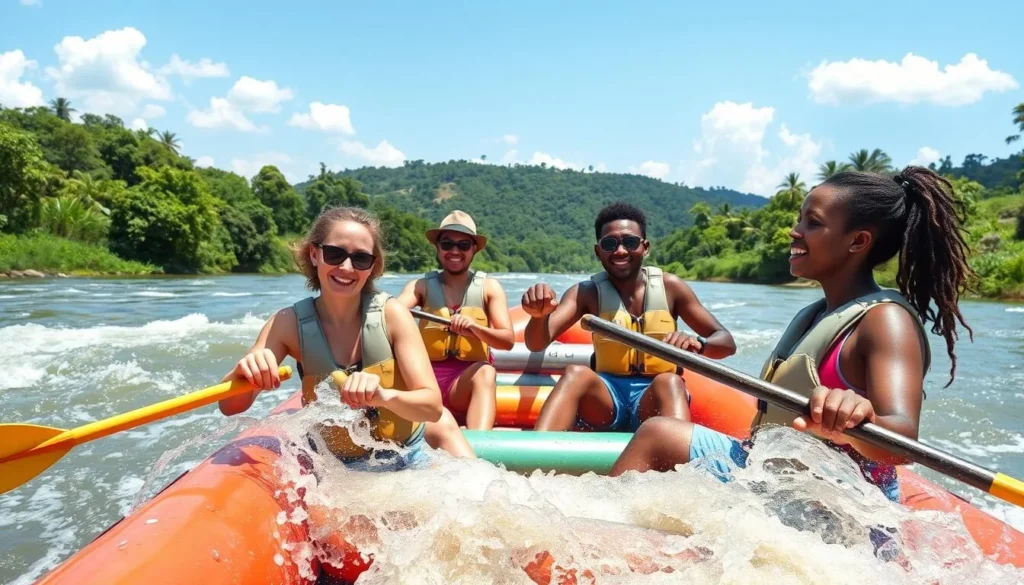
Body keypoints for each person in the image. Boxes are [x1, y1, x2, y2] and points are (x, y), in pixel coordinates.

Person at [609, 166, 976, 505]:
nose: (794, 231)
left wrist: (857, 419)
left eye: (812, 223)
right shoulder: (816, 314)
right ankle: (605, 529)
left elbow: (902, 442)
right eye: (800, 218)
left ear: (858, 241)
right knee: (657, 433)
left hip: (837, 498)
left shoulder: (886, 321)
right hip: (771, 471)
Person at [218, 206, 474, 469]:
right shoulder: (287, 324)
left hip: (406, 454)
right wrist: (242, 374)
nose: (347, 267)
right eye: (335, 254)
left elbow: (431, 407)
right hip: (335, 467)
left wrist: (382, 396)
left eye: (360, 259)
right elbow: (230, 406)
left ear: (372, 266)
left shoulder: (392, 315)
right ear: (315, 254)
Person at [520, 202, 737, 433]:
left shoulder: (671, 288)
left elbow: (726, 342)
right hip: (606, 400)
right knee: (576, 373)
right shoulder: (586, 293)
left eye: (630, 242)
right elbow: (536, 343)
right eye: (610, 244)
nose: (620, 251)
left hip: (654, 399)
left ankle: (679, 460)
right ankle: (533, 461)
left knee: (670, 382)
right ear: (598, 251)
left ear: (645, 247)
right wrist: (539, 317)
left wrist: (699, 344)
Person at [398, 210, 514, 430]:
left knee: (486, 371)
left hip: (462, 387)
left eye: (463, 245)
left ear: (474, 250)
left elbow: (507, 340)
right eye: (447, 244)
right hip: (423, 382)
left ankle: (479, 446)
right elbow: (392, 313)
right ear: (438, 247)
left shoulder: (490, 288)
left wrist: (475, 329)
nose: (454, 251)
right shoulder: (420, 286)